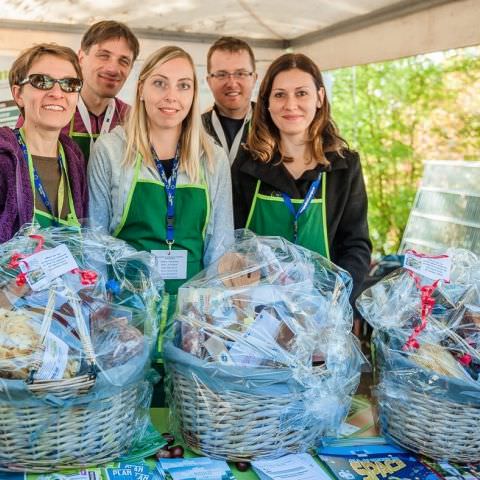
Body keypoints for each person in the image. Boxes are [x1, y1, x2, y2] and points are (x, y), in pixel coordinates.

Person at [88, 45, 234, 366]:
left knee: (183, 410)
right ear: (141, 89)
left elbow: (220, 248)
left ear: (194, 95)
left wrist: (209, 321)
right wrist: (104, 315)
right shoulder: (112, 151)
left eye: (183, 85)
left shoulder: (212, 158)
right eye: (160, 83)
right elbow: (96, 243)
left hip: (190, 317)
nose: (172, 96)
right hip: (126, 314)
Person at [232, 53, 372, 300]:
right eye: (279, 94)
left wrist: (335, 301)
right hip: (257, 315)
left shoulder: (344, 166)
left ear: (319, 97)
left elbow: (356, 245)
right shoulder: (247, 165)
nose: (290, 104)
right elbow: (233, 244)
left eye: (301, 93)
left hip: (324, 313)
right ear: (266, 103)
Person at [0, 43, 88, 242]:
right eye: (42, 81)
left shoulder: (73, 158)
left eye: (69, 84)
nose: (57, 93)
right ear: (18, 94)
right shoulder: (3, 158)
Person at [17, 21, 139, 162]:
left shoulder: (132, 119)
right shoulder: (52, 108)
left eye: (124, 61)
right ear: (81, 58)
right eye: (104, 56)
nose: (112, 69)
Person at [202, 36, 257, 166]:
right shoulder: (194, 129)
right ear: (209, 81)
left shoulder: (272, 126)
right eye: (222, 74)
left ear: (254, 78)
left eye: (241, 73)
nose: (232, 83)